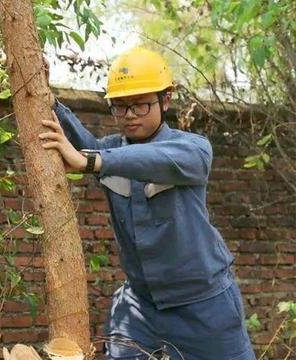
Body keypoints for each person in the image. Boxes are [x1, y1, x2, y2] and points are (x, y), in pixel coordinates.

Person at [39, 47, 255, 359]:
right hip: (139, 307)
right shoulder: (109, 152)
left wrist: (92, 161)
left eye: (140, 105)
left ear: (165, 100)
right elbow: (83, 148)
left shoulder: (192, 150)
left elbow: (110, 159)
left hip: (204, 304)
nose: (128, 116)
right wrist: (48, 98)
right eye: (120, 107)